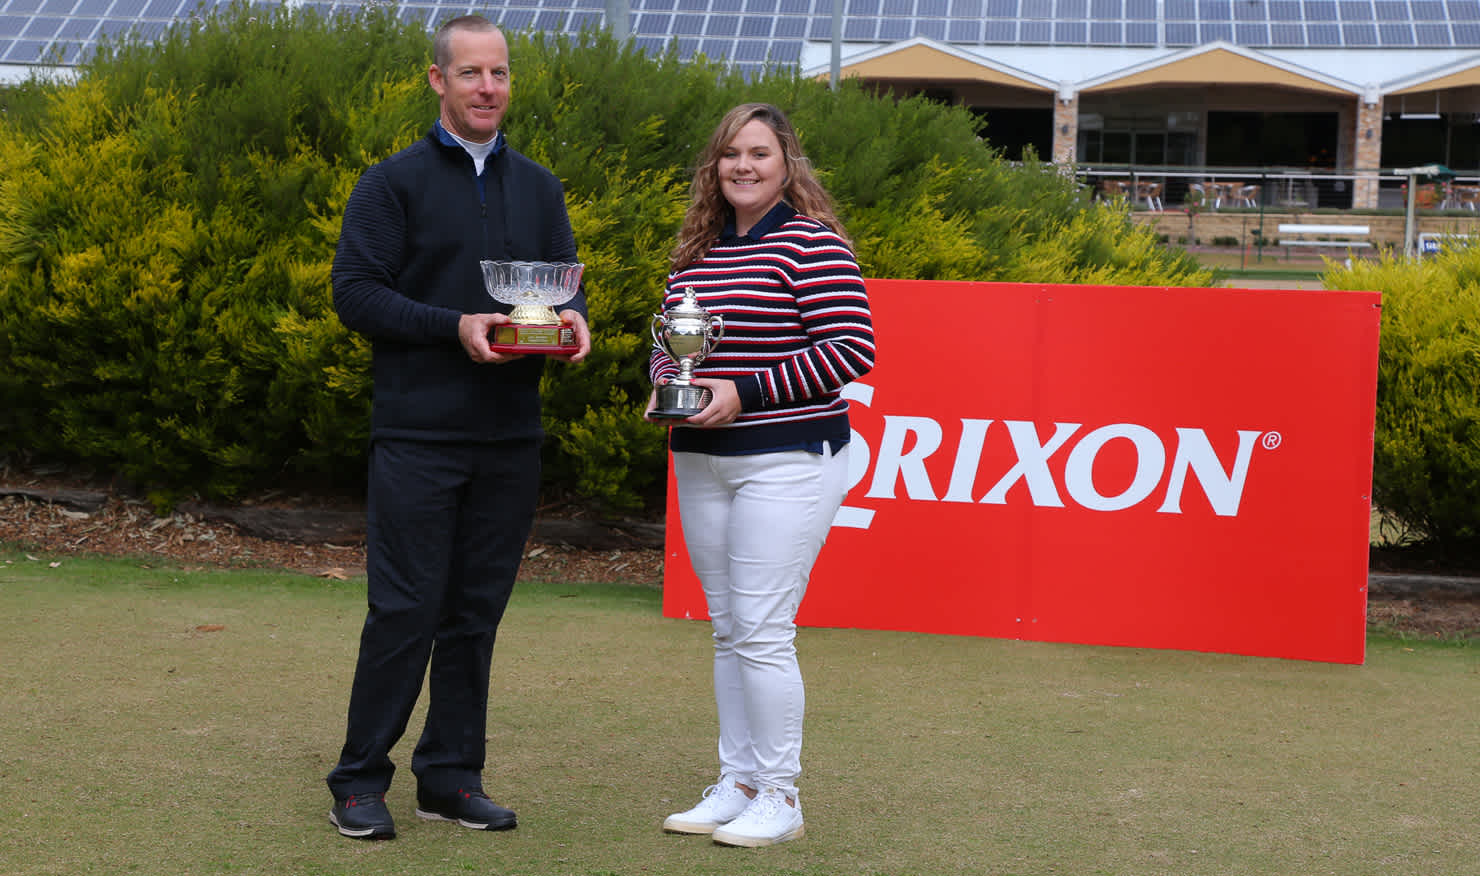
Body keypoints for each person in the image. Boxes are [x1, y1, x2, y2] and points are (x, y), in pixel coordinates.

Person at [325, 15, 590, 841]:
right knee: (406, 610)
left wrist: (575, 323)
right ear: (437, 81)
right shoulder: (391, 183)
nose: (487, 88)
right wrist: (456, 325)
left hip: (510, 439)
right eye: (471, 74)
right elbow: (355, 294)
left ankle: (450, 778)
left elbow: (562, 291)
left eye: (500, 74)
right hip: (418, 437)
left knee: (476, 613)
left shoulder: (541, 187)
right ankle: (361, 779)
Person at [646, 103, 875, 847]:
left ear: (786, 166)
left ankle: (781, 794)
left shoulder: (812, 244)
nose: (743, 166)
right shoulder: (698, 253)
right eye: (730, 154)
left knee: (764, 630)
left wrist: (743, 393)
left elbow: (850, 350)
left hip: (788, 459)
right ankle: (737, 781)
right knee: (727, 629)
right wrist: (664, 385)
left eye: (759, 154)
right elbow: (668, 344)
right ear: (714, 167)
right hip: (704, 460)